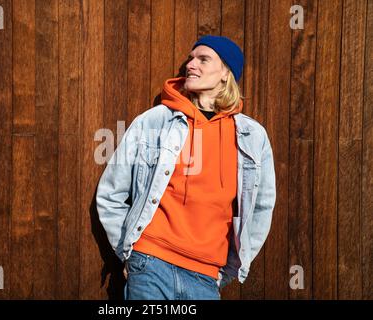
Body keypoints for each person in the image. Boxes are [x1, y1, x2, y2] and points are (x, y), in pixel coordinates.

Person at [96, 35, 276, 300]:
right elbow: (111, 192)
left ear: (226, 74)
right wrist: (130, 252)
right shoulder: (156, 120)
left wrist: (226, 272)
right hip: (150, 263)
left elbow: (261, 207)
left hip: (205, 278)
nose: (191, 65)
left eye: (203, 59)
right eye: (191, 59)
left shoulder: (251, 136)